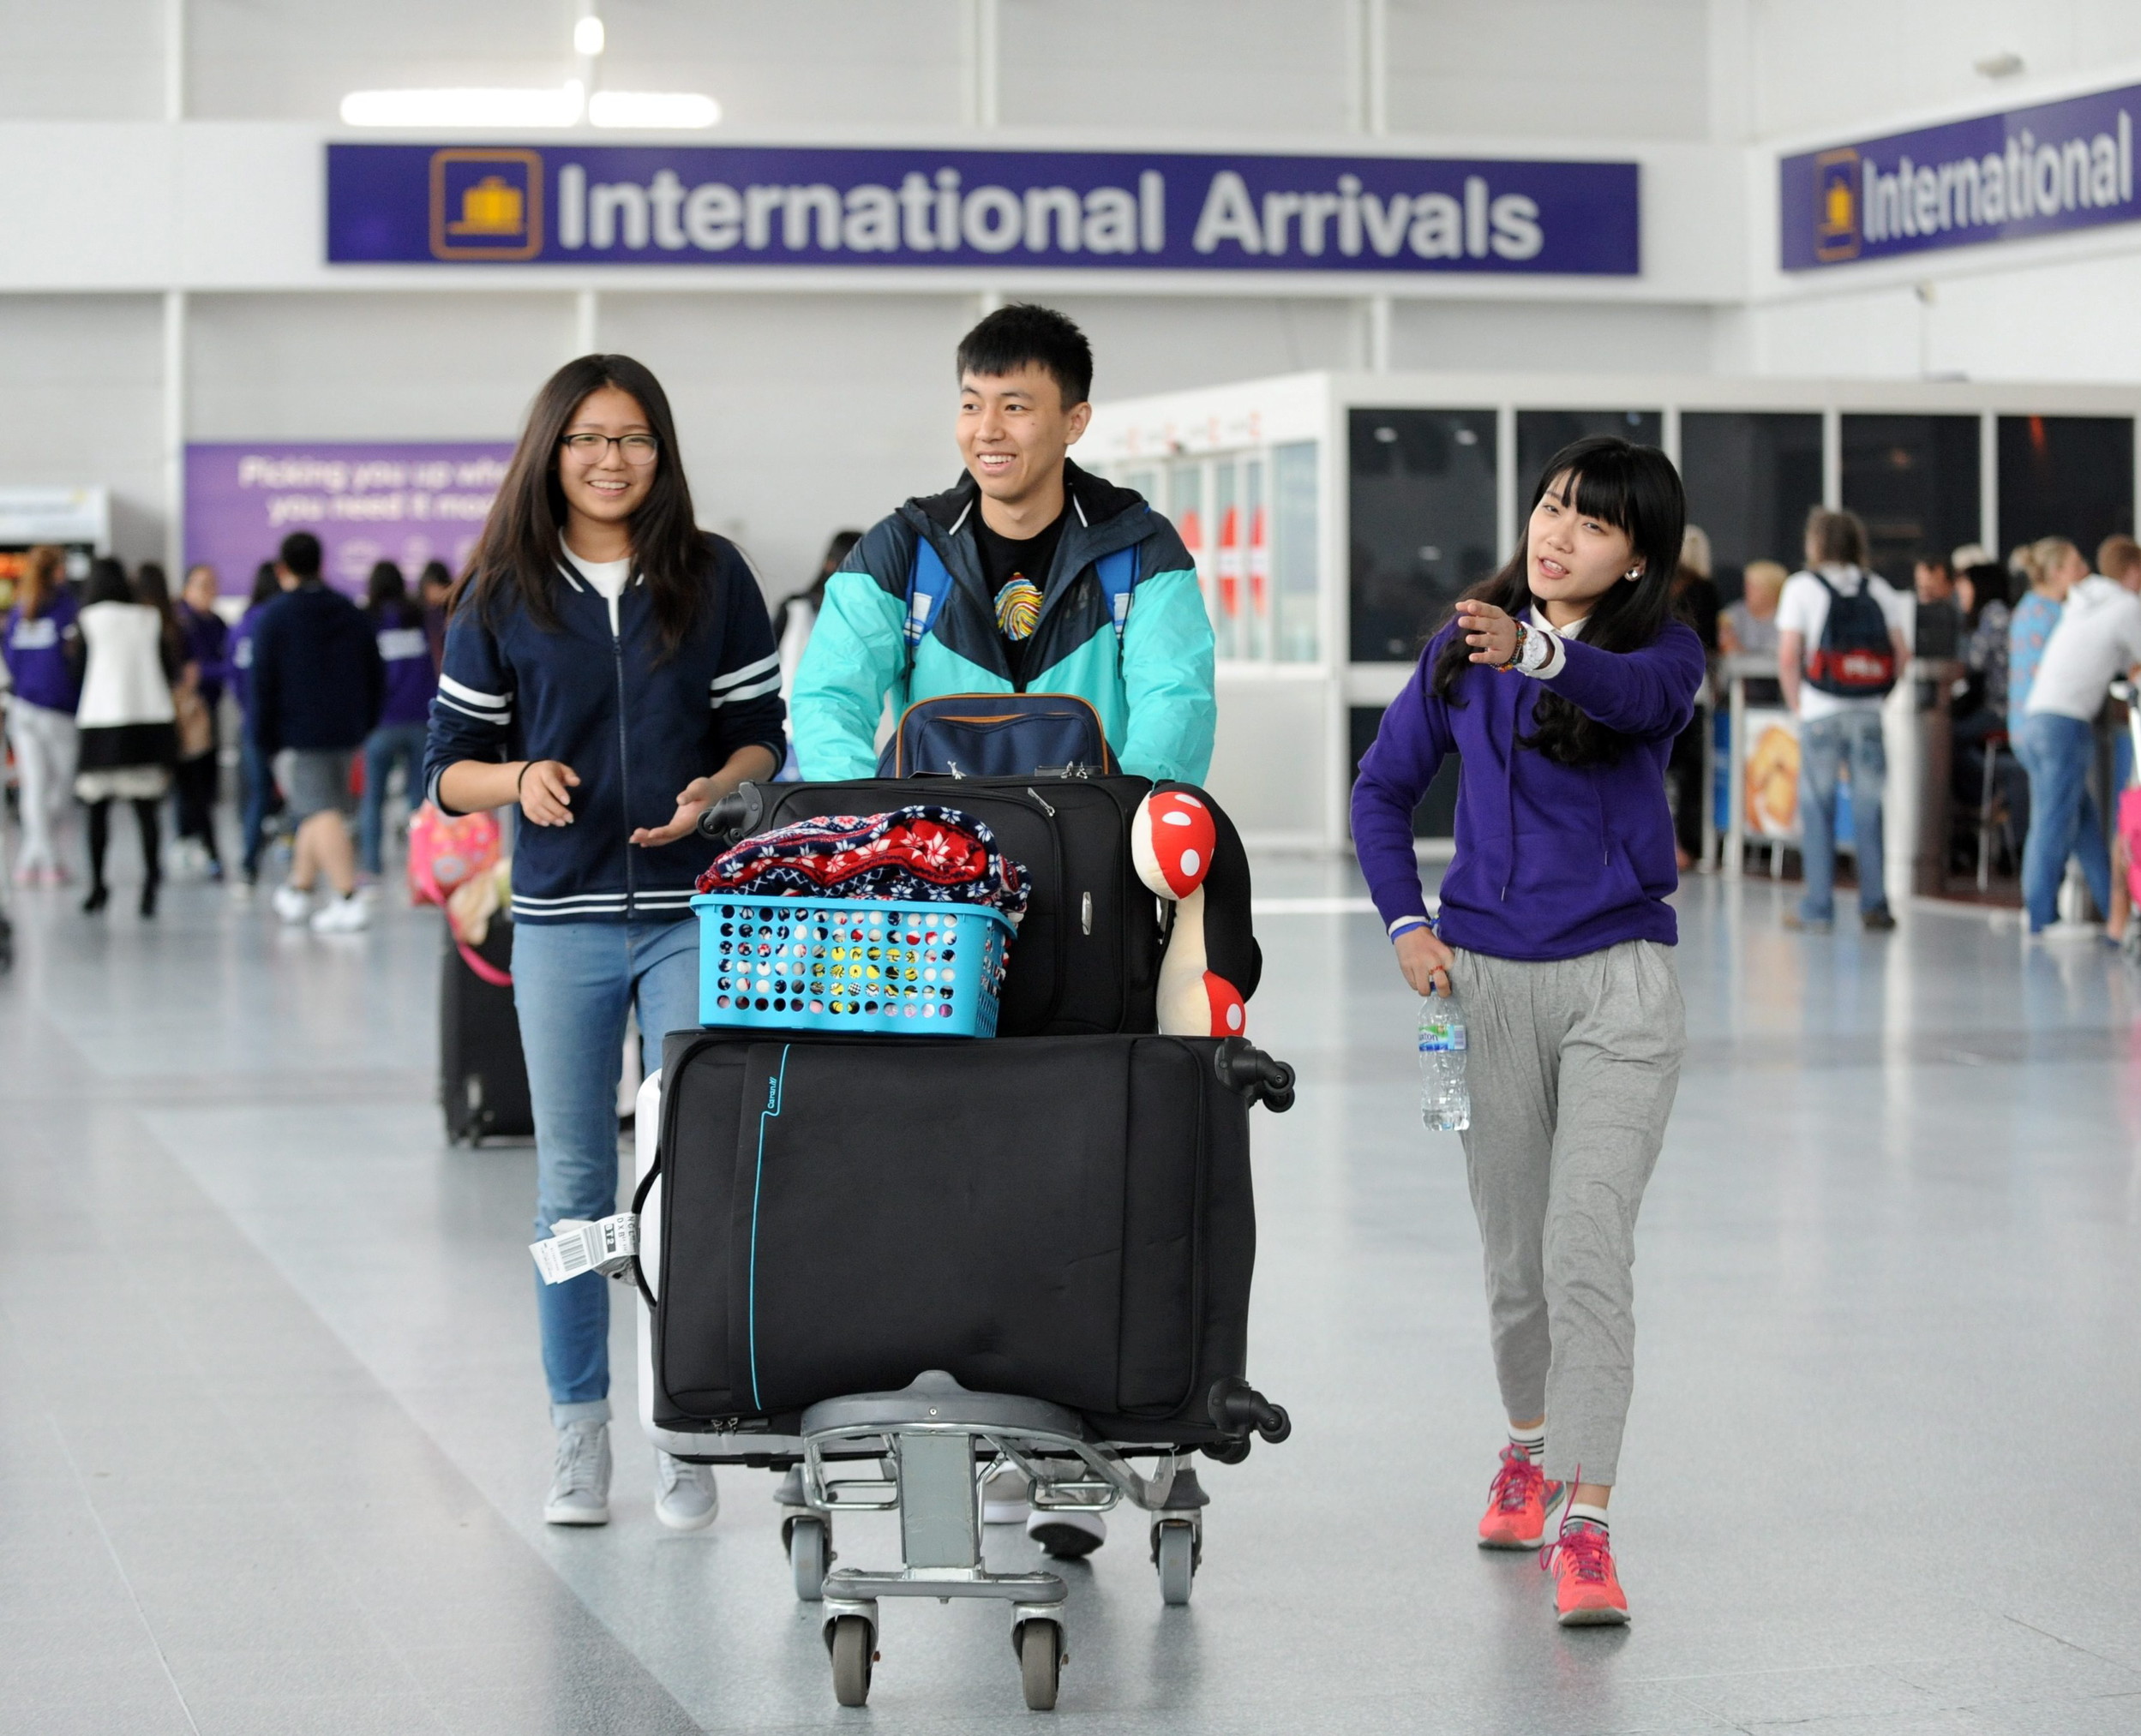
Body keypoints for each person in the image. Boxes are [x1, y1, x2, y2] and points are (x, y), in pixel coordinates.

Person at [423, 354, 784, 1532]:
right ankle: (577, 1432)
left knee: (690, 1178)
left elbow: (759, 734)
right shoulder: (502, 591)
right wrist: (517, 776)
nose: (609, 459)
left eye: (631, 437)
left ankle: (681, 1424)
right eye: (585, 438)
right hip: (563, 924)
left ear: (660, 451)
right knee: (575, 1193)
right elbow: (448, 768)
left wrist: (719, 789)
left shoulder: (712, 574)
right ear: (551, 450)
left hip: (690, 914)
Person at [1352, 435, 1703, 1628]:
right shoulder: (1459, 649)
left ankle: (1586, 1526)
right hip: (1480, 994)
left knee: (1582, 1248)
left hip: (1621, 988)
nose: (1557, 532)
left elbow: (1630, 699)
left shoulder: (1663, 654)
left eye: (1593, 523)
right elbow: (1379, 790)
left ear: (1634, 559)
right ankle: (1525, 1447)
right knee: (1512, 1262)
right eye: (1553, 506)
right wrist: (1406, 921)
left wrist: (1536, 648)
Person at [791, 302, 1214, 785]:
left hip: (1092, 827)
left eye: (1014, 407)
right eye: (972, 405)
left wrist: (1130, 809)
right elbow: (830, 698)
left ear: (1074, 422)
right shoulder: (903, 548)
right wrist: (869, 814)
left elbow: (1176, 700)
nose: (987, 430)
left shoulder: (1141, 548)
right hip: (934, 830)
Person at [1775, 508, 1912, 934]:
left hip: (1820, 710)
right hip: (1868, 712)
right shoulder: (1879, 588)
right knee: (1870, 808)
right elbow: (1902, 654)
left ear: (1816, 543)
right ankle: (1875, 905)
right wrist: (1878, 694)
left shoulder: (1802, 587)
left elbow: (1788, 656)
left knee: (1818, 809)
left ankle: (1818, 907)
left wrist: (1798, 706)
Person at [249, 531, 383, 934]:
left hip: (300, 734)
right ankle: (299, 889)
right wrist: (365, 721)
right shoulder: (349, 611)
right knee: (314, 809)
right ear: (321, 564)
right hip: (347, 730)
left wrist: (262, 737)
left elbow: (261, 683)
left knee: (321, 812)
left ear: (282, 569)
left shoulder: (274, 616)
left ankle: (347, 897)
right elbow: (375, 672)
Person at [2016, 537, 2141, 934]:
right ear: (2133, 572)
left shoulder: (2083, 604)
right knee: (2053, 823)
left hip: (2037, 719)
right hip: (2064, 724)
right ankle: (2040, 918)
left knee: (2084, 826)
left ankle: (2114, 918)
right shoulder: (2125, 606)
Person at [73, 558, 178, 916]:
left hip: (100, 722)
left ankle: (98, 886)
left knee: (97, 813)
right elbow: (168, 668)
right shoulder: (150, 619)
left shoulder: (89, 620)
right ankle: (150, 887)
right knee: (146, 813)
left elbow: (76, 672)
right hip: (147, 722)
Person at [2, 546, 83, 883]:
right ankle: (48, 859)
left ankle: (31, 856)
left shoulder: (25, 611)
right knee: (47, 786)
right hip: (44, 709)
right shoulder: (56, 609)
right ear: (58, 570)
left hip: (38, 708)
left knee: (48, 788)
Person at [357, 560, 437, 882]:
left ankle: (372, 867)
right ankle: (419, 868)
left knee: (373, 799)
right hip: (421, 719)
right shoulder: (418, 617)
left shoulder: (368, 621)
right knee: (418, 801)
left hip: (381, 723)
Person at [228, 560, 292, 890]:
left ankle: (248, 866)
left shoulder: (243, 625)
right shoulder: (284, 620)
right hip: (287, 723)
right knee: (298, 794)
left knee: (257, 795)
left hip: (252, 721)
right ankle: (298, 862)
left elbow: (234, 675)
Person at [171, 563, 230, 879]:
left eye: (212, 584)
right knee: (188, 778)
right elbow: (186, 671)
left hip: (209, 707)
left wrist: (209, 672)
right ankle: (187, 838)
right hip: (186, 712)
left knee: (206, 778)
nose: (208, 591)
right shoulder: (180, 622)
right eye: (201, 584)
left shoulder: (216, 623)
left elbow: (224, 665)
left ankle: (198, 839)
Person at [1666, 526, 1719, 869]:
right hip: (1694, 690)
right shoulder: (1704, 590)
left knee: (1657, 770)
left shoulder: (1657, 587)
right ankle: (1686, 845)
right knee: (1690, 775)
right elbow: (1711, 641)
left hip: (1661, 688)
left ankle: (1661, 844)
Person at [1718, 559, 1784, 659]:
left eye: (1755, 587)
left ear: (1772, 591)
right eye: (1747, 586)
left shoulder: (1787, 618)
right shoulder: (1732, 615)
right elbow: (1726, 649)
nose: (1748, 591)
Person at [417, 559, 453, 670]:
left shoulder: (453, 613)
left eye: (442, 586)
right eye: (432, 586)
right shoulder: (415, 615)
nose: (438, 592)